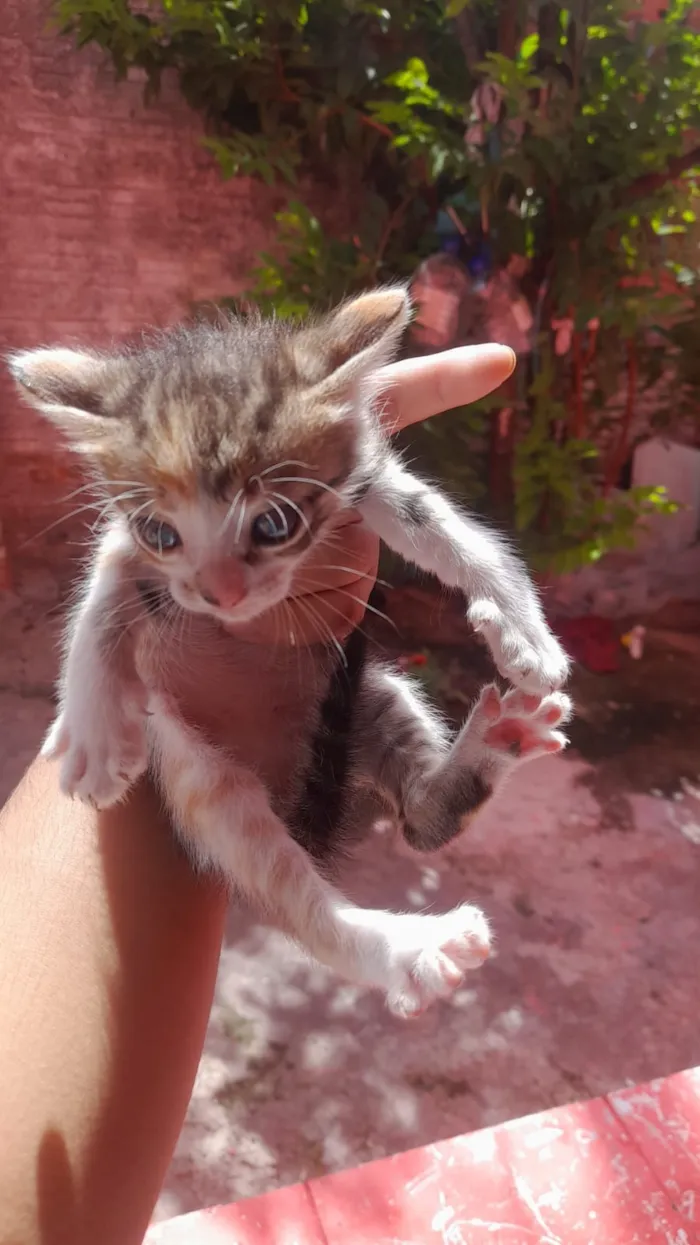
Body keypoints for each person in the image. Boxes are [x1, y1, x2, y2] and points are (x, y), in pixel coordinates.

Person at [0, 344, 515, 1245]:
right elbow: (111, 585)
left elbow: (430, 528)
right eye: (168, 535)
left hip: (315, 696)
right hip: (214, 739)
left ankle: (440, 786)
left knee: (378, 703)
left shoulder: (322, 455)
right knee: (207, 782)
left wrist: (508, 605)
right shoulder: (150, 542)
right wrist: (91, 711)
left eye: (266, 522)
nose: (220, 590)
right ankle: (356, 937)